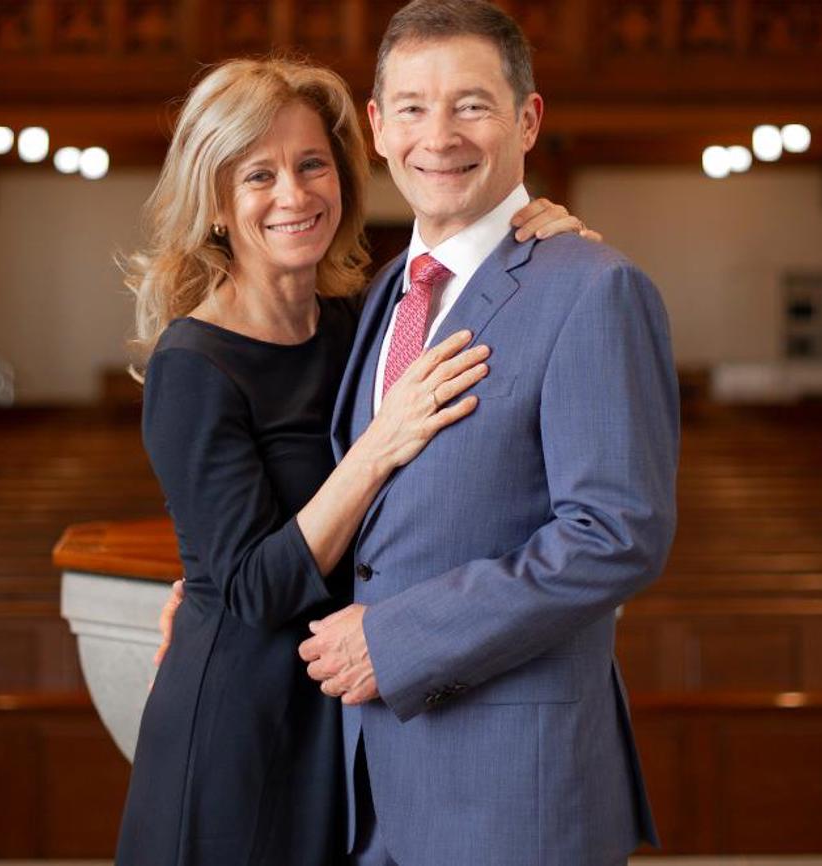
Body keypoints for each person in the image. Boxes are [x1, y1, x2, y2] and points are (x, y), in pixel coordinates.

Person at [118, 56, 594, 866]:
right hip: (241, 723)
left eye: (312, 165)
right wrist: (376, 449)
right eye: (258, 175)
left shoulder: (364, 318)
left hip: (347, 710)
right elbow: (253, 589)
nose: (294, 194)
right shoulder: (192, 363)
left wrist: (538, 235)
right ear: (216, 204)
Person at [296, 2, 680, 864]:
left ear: (527, 120)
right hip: (371, 788)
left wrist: (397, 639)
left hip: (512, 792)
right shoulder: (386, 291)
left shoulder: (592, 287)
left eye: (471, 105)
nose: (439, 136)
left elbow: (617, 534)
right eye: (412, 107)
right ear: (377, 127)